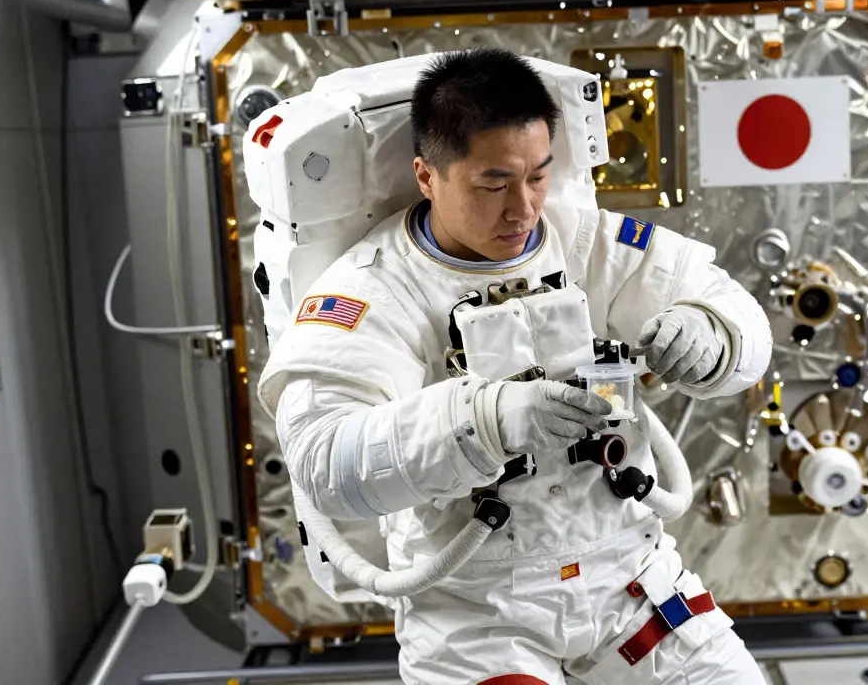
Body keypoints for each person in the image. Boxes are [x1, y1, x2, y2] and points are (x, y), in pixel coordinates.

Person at [259, 47, 772, 685]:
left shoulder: (584, 240)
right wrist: (485, 420)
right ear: (427, 176)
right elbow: (325, 460)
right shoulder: (371, 292)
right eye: (494, 184)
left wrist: (711, 335)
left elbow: (733, 309)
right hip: (478, 610)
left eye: (538, 176)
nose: (523, 208)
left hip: (628, 582)